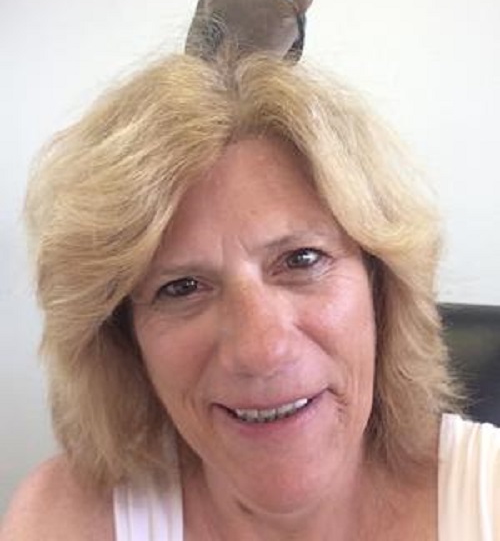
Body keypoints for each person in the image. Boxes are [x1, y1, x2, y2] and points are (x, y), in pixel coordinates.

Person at [2, 54, 499, 540]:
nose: (261, 352)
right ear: (124, 341)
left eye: (302, 260)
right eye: (181, 288)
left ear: (381, 291)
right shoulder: (67, 517)